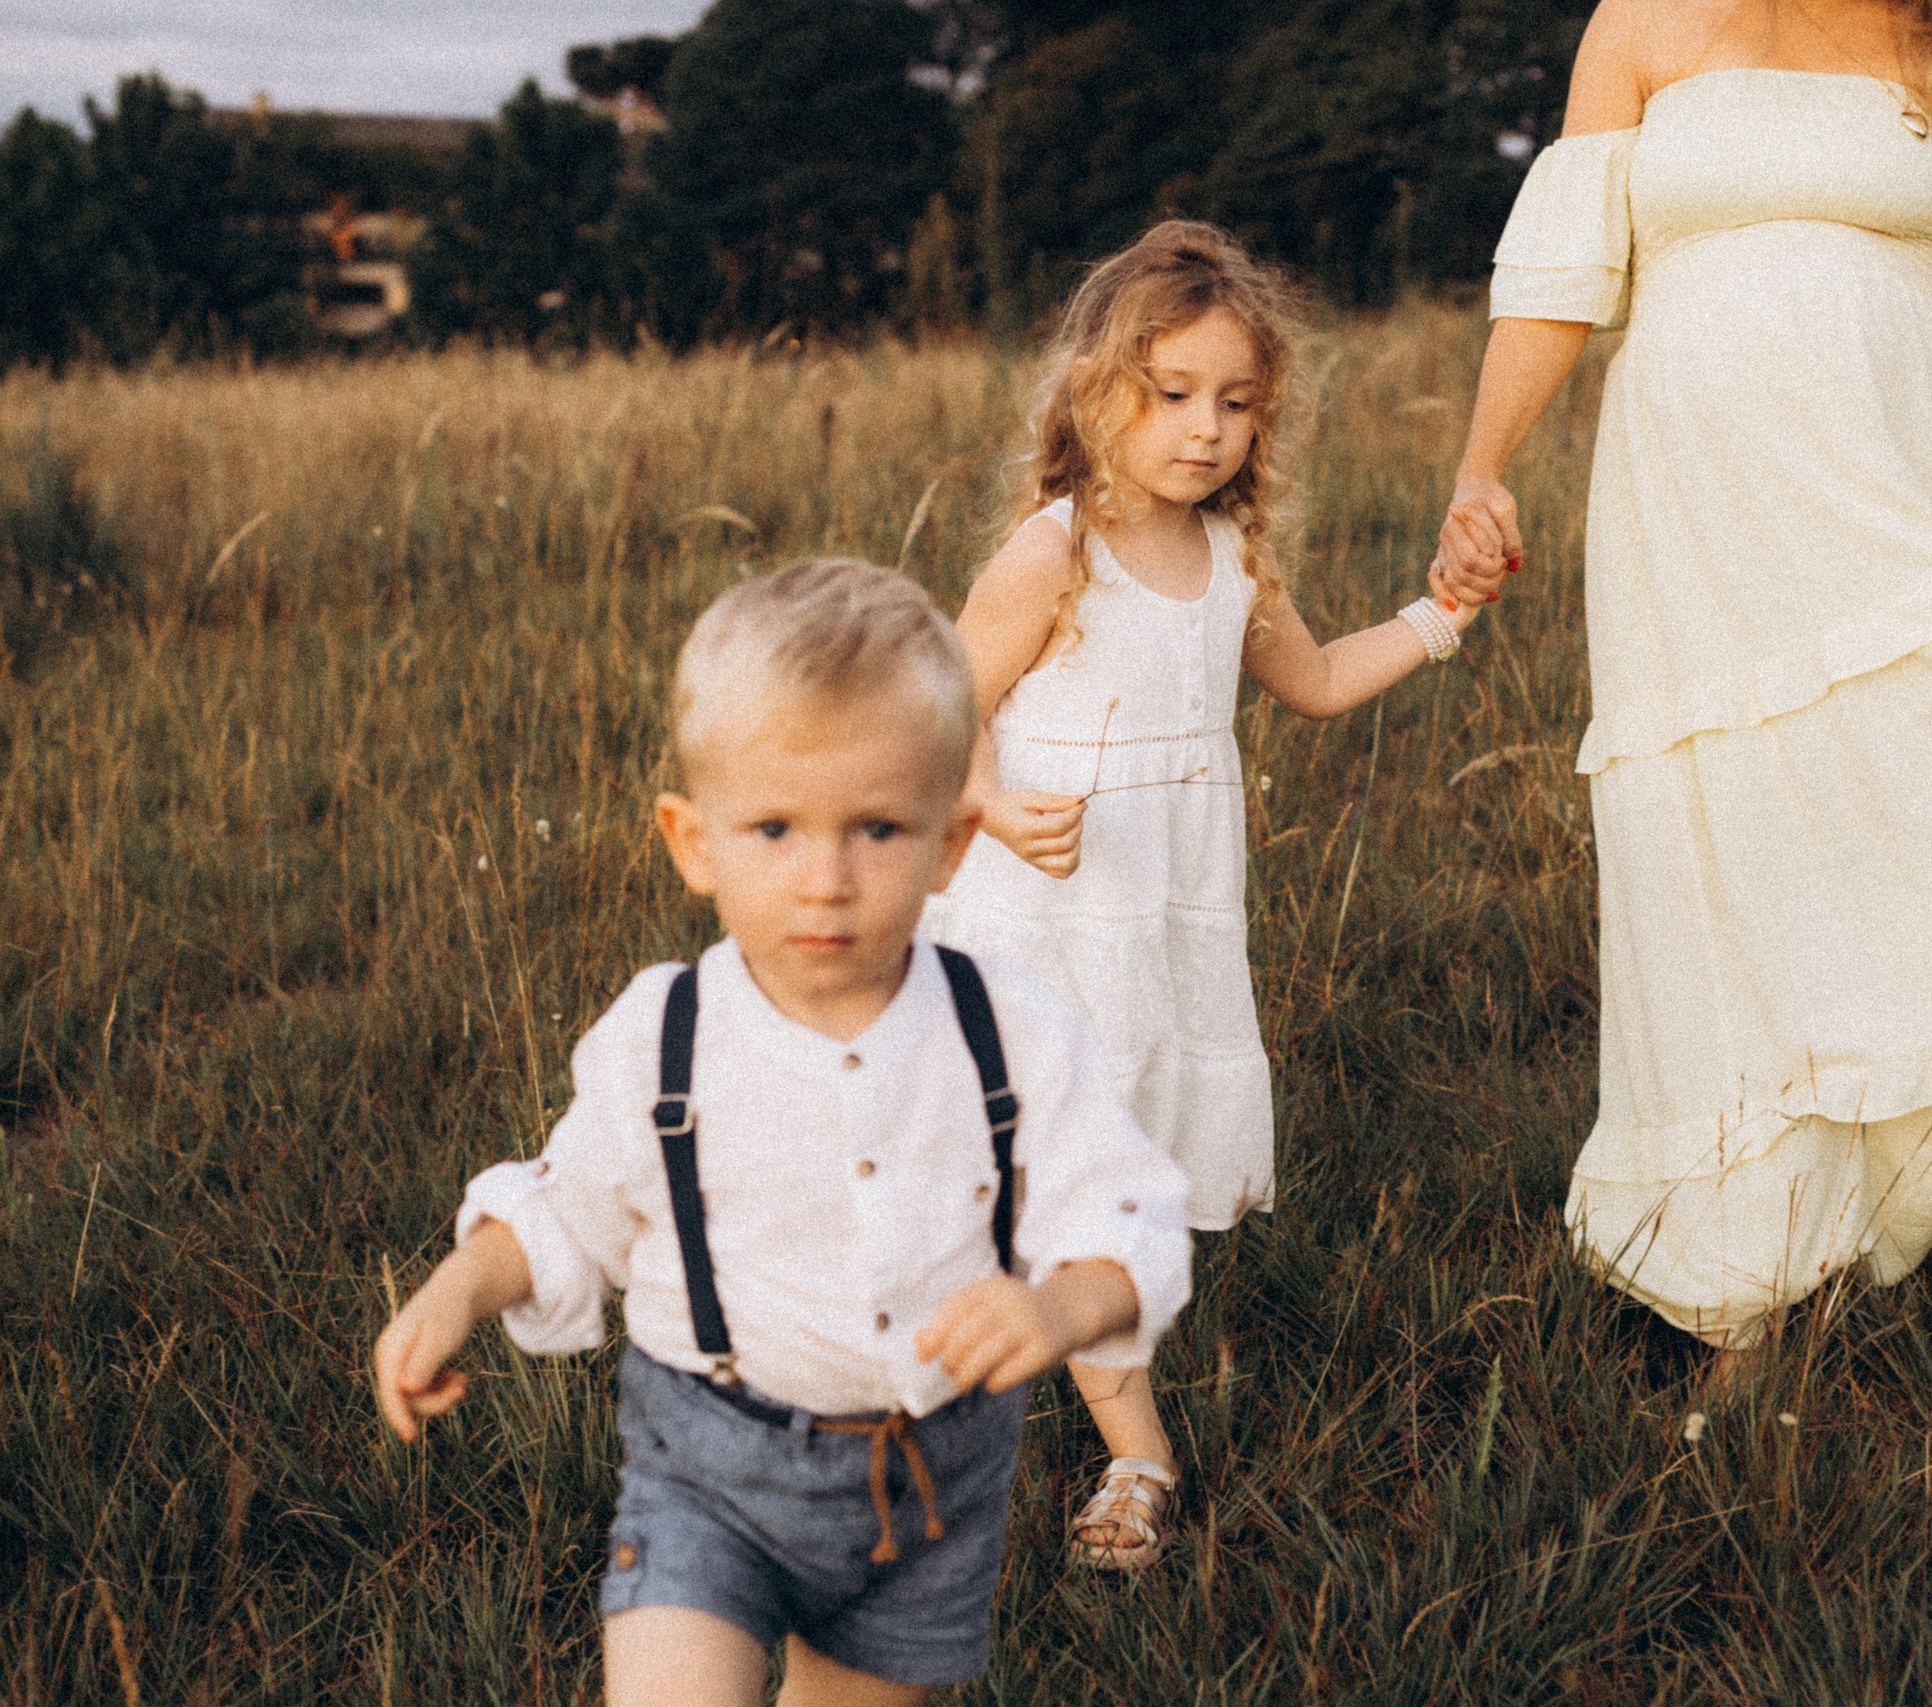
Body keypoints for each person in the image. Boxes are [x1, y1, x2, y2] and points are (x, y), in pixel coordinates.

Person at [1435, 0, 1932, 1383]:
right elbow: (1561, 275)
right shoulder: (1641, 23)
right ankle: (1731, 1271)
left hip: (1896, 474)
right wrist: (1482, 465)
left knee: (1875, 827)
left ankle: (1863, 1200)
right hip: (1693, 501)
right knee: (1711, 834)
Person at [371, 559, 1194, 1706]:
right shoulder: (666, 1033)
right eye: (772, 829)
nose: (826, 880)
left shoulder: (1009, 1030)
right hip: (707, 1468)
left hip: (925, 1481)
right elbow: (568, 1205)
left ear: (953, 841)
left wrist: (1059, 1304)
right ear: (691, 839)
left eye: (876, 829)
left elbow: (1127, 1212)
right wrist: (458, 1288)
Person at [925, 220, 1502, 1566]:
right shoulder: (1056, 547)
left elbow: (1309, 682)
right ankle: (1134, 1449)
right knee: (1051, 1171)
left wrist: (1440, 618)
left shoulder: (1233, 559)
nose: (1205, 430)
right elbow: (946, 700)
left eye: (1236, 403)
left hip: (1166, 928)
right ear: (1097, 393)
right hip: (1044, 920)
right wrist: (996, 805)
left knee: (1102, 1171)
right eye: (1171, 393)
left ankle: (1016, 1364)